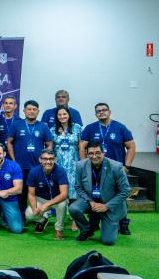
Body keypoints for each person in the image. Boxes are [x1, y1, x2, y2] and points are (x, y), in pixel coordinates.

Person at [79, 102, 136, 236]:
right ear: (95, 114)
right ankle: (95, 223)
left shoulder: (120, 128)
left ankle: (123, 223)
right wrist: (84, 164)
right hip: (96, 169)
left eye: (104, 110)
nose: (101, 113)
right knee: (96, 194)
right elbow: (82, 147)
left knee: (120, 195)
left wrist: (127, 166)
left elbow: (131, 146)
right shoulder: (90, 128)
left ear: (109, 112)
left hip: (116, 170)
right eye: (98, 111)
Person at [70, 142, 131, 245]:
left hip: (110, 204)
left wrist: (106, 206)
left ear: (103, 153)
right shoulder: (80, 165)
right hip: (92, 201)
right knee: (73, 208)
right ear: (87, 154)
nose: (94, 156)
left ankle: (114, 224)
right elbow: (78, 187)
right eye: (91, 153)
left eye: (97, 153)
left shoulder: (116, 167)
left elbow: (125, 191)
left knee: (108, 241)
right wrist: (90, 201)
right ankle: (87, 230)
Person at [7, 100, 52, 214]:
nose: (31, 112)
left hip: (37, 167)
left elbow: (49, 144)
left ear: (38, 111)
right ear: (24, 111)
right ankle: (21, 215)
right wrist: (13, 160)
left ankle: (39, 217)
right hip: (20, 165)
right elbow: (9, 142)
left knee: (38, 192)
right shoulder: (17, 124)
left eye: (34, 109)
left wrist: (46, 161)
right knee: (21, 192)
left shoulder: (43, 126)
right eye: (29, 109)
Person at [24, 149, 69, 240]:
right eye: (45, 159)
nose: (48, 161)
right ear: (40, 160)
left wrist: (47, 205)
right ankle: (42, 220)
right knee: (29, 214)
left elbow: (64, 194)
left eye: (51, 159)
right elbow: (31, 194)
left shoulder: (61, 171)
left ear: (55, 160)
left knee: (63, 204)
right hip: (41, 199)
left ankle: (58, 229)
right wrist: (34, 209)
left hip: (57, 199)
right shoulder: (34, 171)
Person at [52, 106, 82, 230]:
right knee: (61, 192)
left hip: (74, 165)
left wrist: (82, 163)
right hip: (59, 166)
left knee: (74, 193)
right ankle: (60, 220)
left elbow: (81, 146)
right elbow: (51, 147)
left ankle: (75, 220)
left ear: (69, 115)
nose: (62, 117)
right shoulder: (53, 129)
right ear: (57, 117)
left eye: (64, 114)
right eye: (59, 115)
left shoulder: (77, 128)